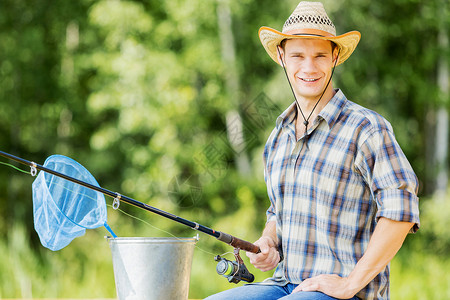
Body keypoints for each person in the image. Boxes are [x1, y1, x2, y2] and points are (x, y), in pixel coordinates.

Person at [205, 1, 419, 300]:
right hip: (284, 283)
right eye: (297, 56)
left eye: (319, 55)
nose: (309, 67)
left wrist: (349, 284)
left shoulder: (367, 128)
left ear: (335, 57)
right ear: (282, 57)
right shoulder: (278, 136)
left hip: (346, 293)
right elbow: (277, 213)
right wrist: (268, 242)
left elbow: (401, 212)